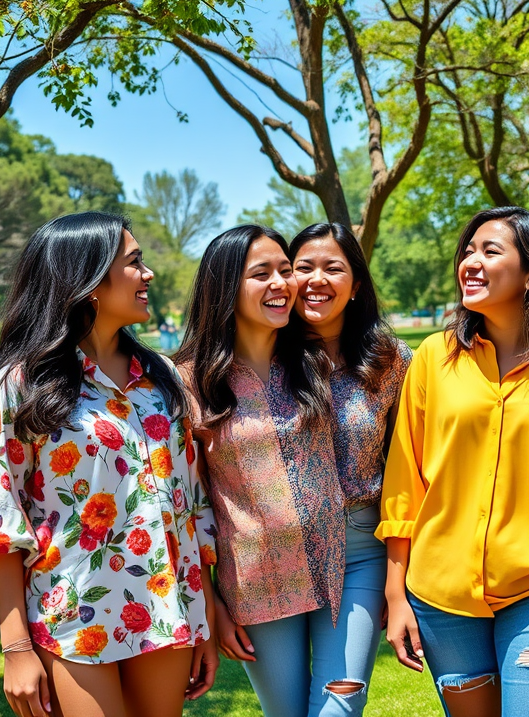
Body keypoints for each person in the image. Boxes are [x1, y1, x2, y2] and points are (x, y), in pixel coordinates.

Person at [0, 212, 219, 717]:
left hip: (166, 609)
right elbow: (0, 518)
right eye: (134, 263)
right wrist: (15, 649)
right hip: (71, 614)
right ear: (89, 281)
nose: (148, 275)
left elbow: (189, 506)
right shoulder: (22, 385)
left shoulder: (161, 377)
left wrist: (204, 614)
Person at [379, 206, 529, 717]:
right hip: (440, 596)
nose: (471, 261)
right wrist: (396, 596)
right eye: (468, 251)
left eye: (490, 251)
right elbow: (405, 483)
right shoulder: (432, 357)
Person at [176, 223, 409, 717]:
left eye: (286, 270)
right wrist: (209, 600)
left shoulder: (313, 358)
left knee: (338, 709)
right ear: (225, 288)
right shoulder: (189, 384)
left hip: (353, 558)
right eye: (265, 273)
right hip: (258, 575)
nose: (285, 283)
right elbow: (188, 504)